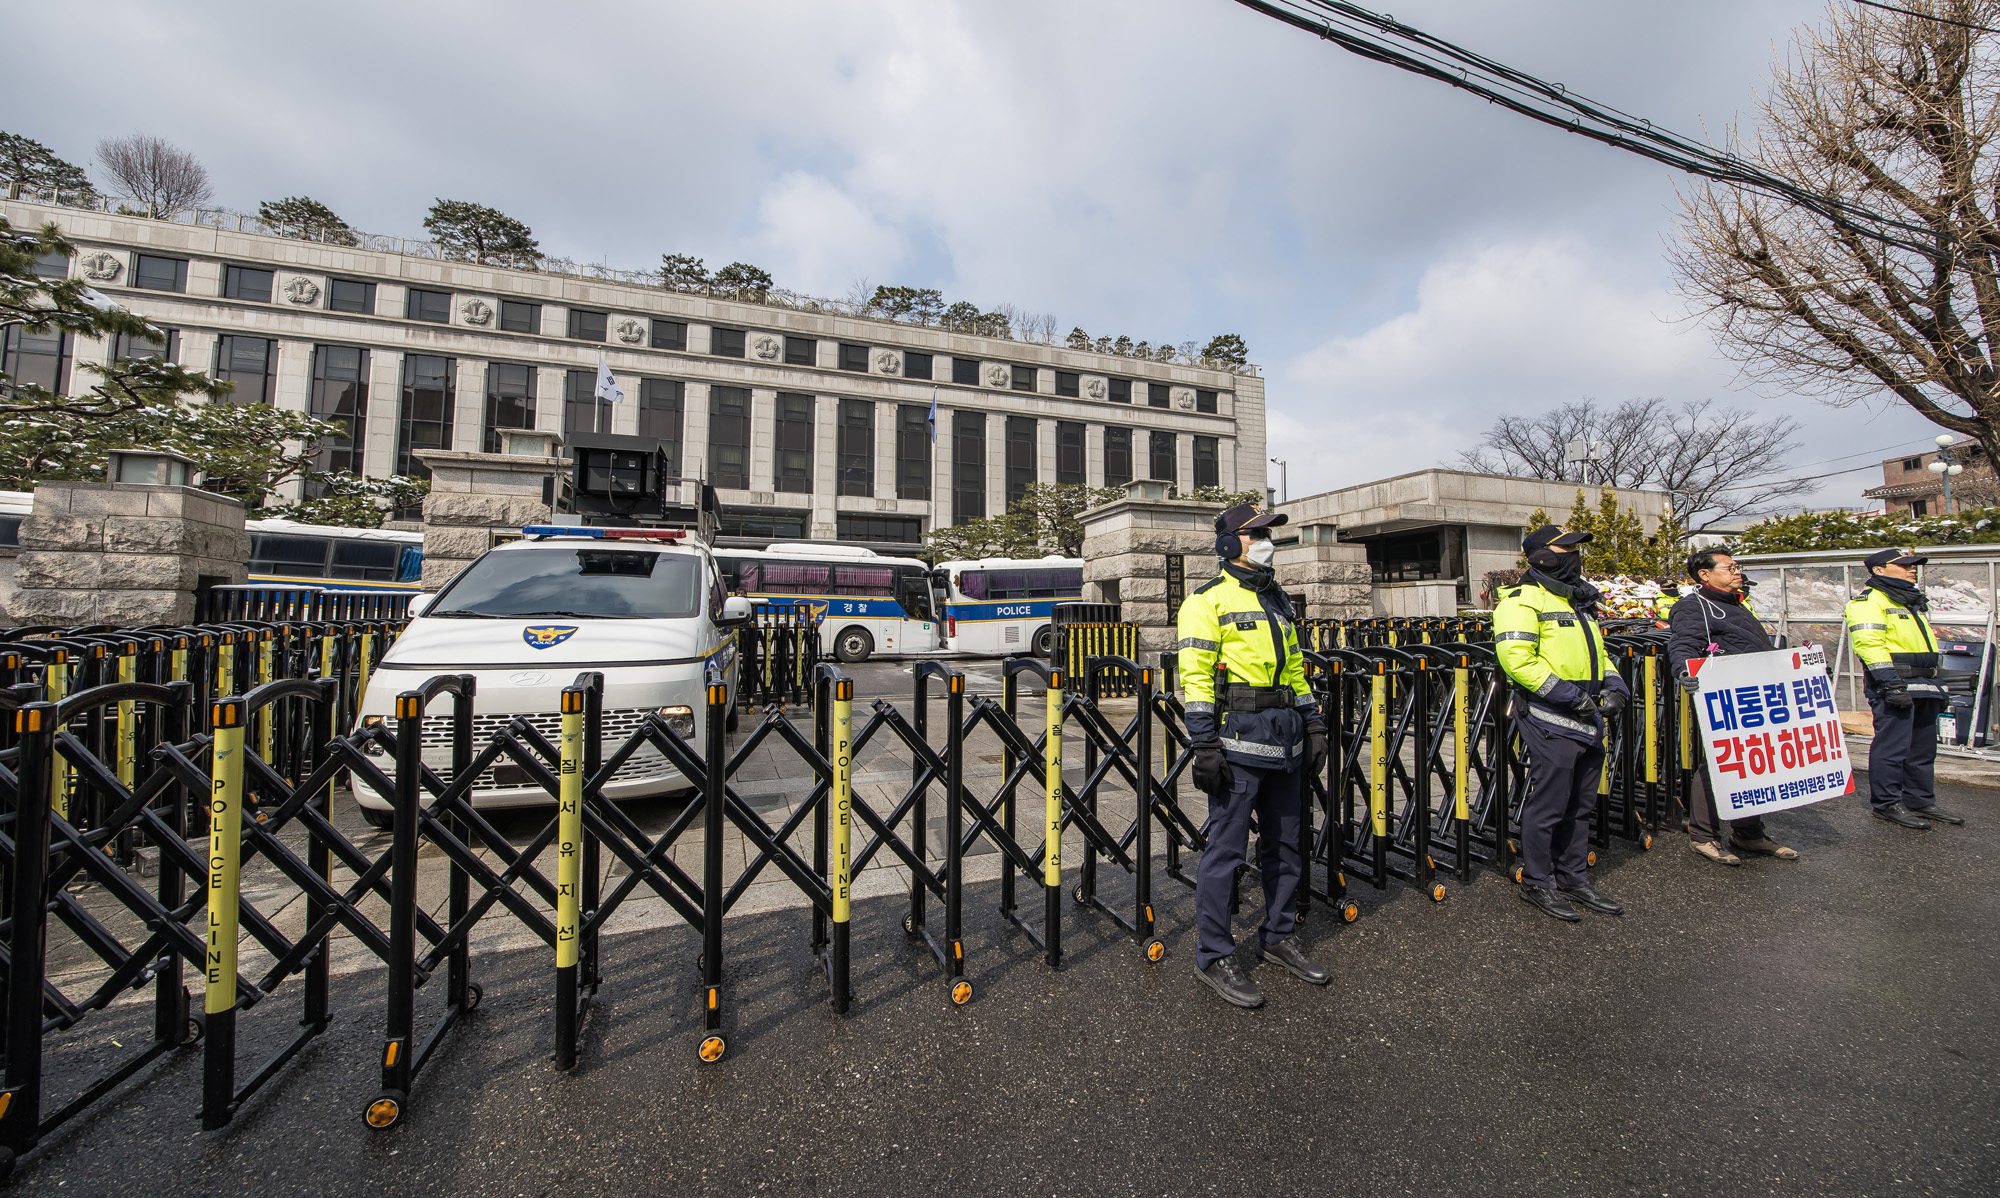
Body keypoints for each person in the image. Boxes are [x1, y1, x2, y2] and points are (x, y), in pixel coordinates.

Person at [1177, 502, 1330, 1008]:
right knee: (1226, 852)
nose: (1267, 540)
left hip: (1285, 742)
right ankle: (1214, 954)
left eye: (1269, 533)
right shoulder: (1206, 602)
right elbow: (1196, 681)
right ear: (1227, 543)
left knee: (1287, 844)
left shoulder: (1279, 600)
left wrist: (1313, 725)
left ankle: (1278, 934)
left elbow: (1295, 674)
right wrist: (1203, 744)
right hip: (1238, 746)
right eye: (1256, 533)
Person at [1494, 526, 1631, 921]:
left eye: (1575, 548)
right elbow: (1517, 659)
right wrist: (1572, 697)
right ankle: (1538, 881)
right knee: (1550, 803)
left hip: (1587, 714)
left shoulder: (1576, 599)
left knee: (1581, 802)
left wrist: (1615, 684)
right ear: (1540, 555)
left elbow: (1597, 654)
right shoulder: (1522, 600)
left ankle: (1573, 876)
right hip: (1550, 714)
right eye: (1566, 548)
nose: (1574, 554)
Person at [1668, 548, 1800, 865]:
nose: (1737, 571)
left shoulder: (1735, 605)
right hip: (1724, 696)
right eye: (1730, 567)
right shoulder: (1694, 607)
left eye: (1737, 566)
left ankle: (1749, 833)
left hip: (1755, 695)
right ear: (1704, 574)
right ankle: (1704, 836)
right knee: (1715, 764)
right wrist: (1685, 670)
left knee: (1753, 762)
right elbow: (1684, 643)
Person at [1844, 549, 1967, 829]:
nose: (1912, 569)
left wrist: (1939, 682)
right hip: (1895, 685)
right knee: (1893, 747)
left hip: (1925, 683)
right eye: (1904, 565)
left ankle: (1920, 800)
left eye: (1913, 565)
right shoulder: (1868, 602)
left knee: (1922, 749)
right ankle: (1887, 803)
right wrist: (1889, 683)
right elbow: (1869, 645)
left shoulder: (1910, 600)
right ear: (1879, 570)